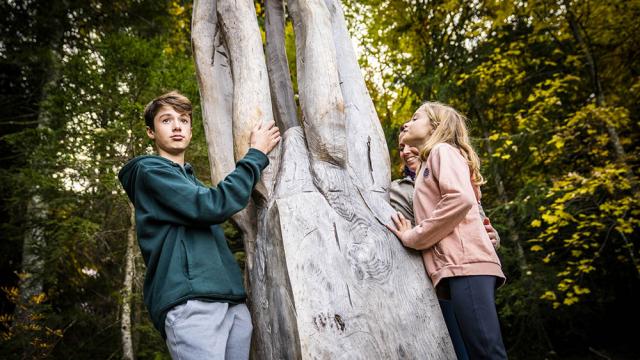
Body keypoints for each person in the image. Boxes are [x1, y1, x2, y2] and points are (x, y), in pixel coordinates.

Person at [118, 91, 280, 359]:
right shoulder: (150, 172)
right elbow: (212, 205)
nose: (177, 126)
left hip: (232, 303)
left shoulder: (191, 183)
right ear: (150, 132)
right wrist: (255, 154)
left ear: (191, 131)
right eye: (166, 120)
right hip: (191, 303)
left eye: (183, 120)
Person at [387, 102, 507, 359]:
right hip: (454, 269)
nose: (407, 123)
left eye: (416, 118)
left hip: (466, 265)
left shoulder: (442, 151)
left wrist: (413, 237)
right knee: (477, 353)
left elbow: (461, 200)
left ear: (436, 127)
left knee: (487, 353)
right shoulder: (430, 164)